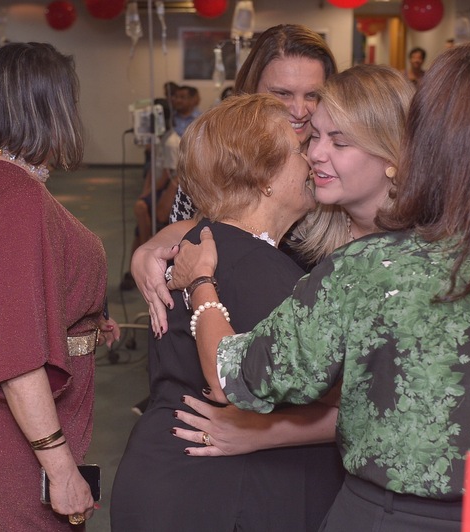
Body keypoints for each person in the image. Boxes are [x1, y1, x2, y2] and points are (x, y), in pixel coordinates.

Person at [173, 37, 470, 531]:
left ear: (430, 143)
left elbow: (235, 374)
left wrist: (201, 283)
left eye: (339, 141)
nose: (316, 154)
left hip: (389, 515)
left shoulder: (372, 268)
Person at [111, 93, 343, 531]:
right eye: (299, 150)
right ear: (264, 178)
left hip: (169, 478)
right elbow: (346, 395)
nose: (312, 159)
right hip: (218, 495)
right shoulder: (259, 268)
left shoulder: (197, 246)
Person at [170, 64, 411, 458]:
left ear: (391, 153)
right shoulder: (305, 228)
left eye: (339, 142)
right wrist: (155, 249)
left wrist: (265, 432)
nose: (315, 154)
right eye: (313, 137)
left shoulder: (421, 253)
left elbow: (387, 400)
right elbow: (232, 216)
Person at [0, 42, 120, 531]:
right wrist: (62, 471)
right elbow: (19, 362)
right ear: (49, 107)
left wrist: (83, 317)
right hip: (12, 424)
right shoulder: (19, 200)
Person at [168, 23, 337, 235]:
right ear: (252, 90)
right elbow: (185, 234)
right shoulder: (215, 161)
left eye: (313, 95)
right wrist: (163, 242)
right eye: (282, 93)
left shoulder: (337, 165)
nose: (300, 110)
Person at [120, 98, 179, 292]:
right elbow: (152, 172)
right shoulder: (158, 141)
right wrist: (145, 192)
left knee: (141, 209)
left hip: (167, 190)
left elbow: (170, 176)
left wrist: (150, 195)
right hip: (157, 187)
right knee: (140, 220)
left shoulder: (171, 143)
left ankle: (146, 249)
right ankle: (136, 264)